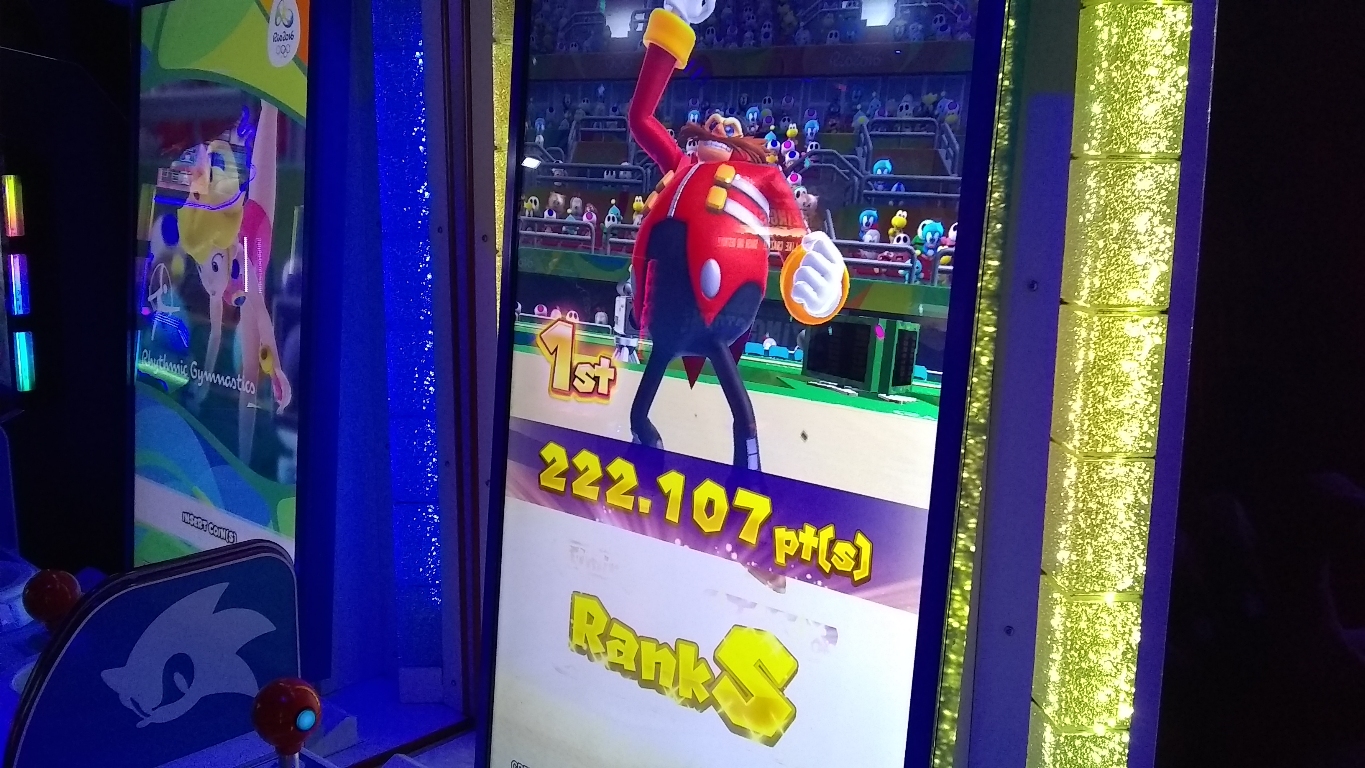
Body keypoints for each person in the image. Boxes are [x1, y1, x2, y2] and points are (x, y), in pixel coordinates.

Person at [625, 0, 849, 469]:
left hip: (719, 312)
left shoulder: (761, 178)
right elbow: (641, 118)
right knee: (641, 408)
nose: (715, 127)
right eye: (710, 124)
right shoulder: (681, 166)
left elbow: (793, 235)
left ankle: (747, 461)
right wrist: (673, 29)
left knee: (741, 413)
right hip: (666, 308)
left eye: (728, 127)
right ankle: (644, 437)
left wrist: (814, 278)